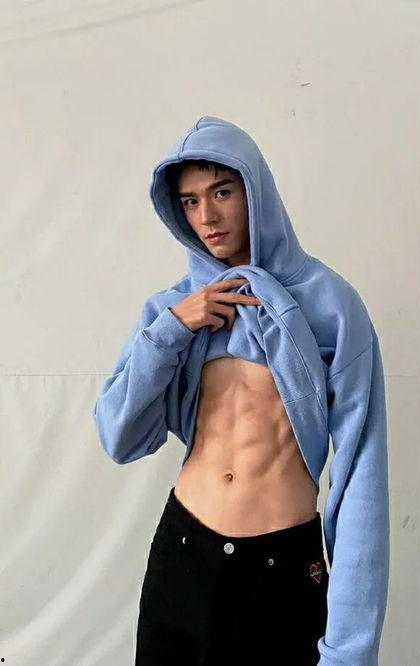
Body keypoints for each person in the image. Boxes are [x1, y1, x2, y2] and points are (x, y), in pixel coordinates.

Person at [93, 116, 390, 666]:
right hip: (183, 555)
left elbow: (361, 475)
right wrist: (172, 330)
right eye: (189, 201)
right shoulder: (174, 308)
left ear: (257, 191)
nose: (206, 217)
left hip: (280, 571)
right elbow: (118, 435)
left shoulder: (331, 306)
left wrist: (351, 648)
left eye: (222, 192)